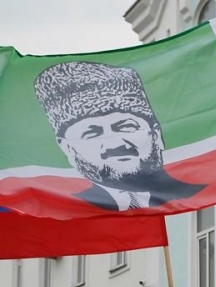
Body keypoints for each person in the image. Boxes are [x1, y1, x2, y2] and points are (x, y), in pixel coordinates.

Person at [33, 61, 204, 211]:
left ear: (156, 134)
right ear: (68, 148)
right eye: (92, 133)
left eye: (126, 127)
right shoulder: (68, 209)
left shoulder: (200, 196)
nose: (114, 144)